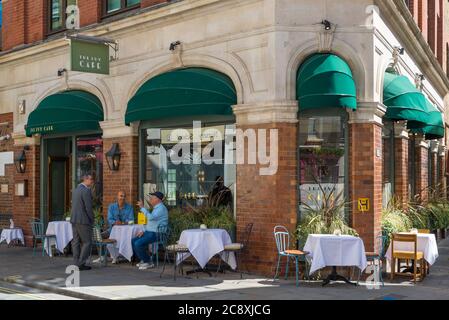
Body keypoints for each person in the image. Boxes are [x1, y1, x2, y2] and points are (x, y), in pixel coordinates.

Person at [132, 191, 168, 270]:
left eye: (152, 198)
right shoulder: (156, 208)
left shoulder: (161, 208)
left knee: (138, 243)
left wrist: (142, 208)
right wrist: (143, 231)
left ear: (158, 200)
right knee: (134, 241)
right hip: (151, 232)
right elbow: (151, 222)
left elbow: (151, 217)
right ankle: (144, 259)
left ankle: (148, 262)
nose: (150, 199)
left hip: (158, 233)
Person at [70, 174, 95, 271]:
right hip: (83, 220)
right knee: (87, 242)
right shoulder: (86, 190)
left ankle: (76, 262)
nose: (92, 181)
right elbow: (88, 207)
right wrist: (92, 219)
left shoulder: (76, 190)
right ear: (85, 179)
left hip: (74, 219)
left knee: (75, 241)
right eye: (91, 179)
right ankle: (81, 263)